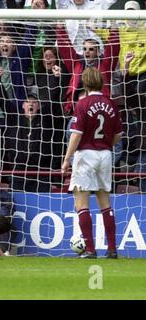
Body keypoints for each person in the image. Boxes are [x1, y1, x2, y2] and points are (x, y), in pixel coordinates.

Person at [61, 67, 123, 259]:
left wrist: (66, 159)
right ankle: (112, 249)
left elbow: (76, 135)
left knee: (81, 203)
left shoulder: (82, 103)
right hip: (105, 154)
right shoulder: (111, 104)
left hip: (85, 153)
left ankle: (90, 249)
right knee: (105, 202)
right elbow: (118, 135)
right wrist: (106, 145)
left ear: (85, 83)